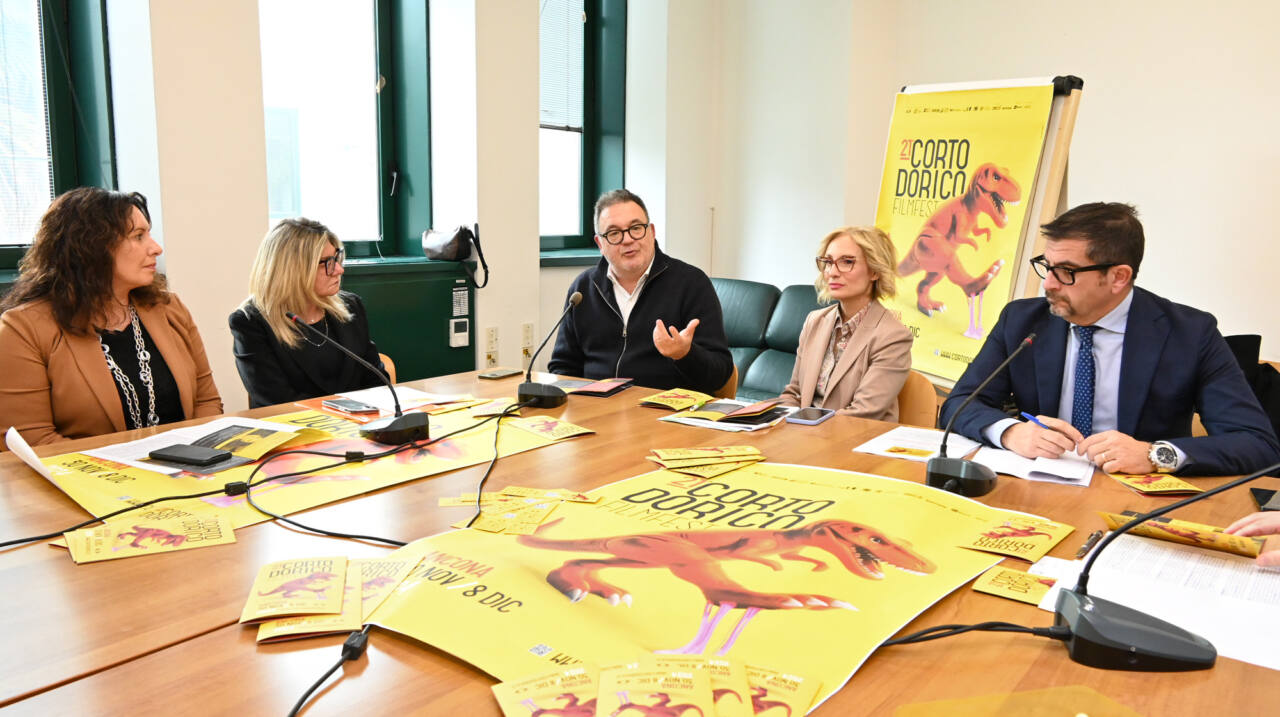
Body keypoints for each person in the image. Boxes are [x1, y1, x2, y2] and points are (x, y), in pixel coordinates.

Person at [940, 202, 1280, 476]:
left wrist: (1154, 454)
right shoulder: (1022, 320)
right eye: (1047, 265)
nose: (1049, 284)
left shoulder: (1189, 334)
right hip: (1040, 485)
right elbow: (959, 403)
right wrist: (1011, 432)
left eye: (1067, 271)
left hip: (1134, 499)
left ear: (1118, 277)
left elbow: (1256, 443)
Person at [0, 188, 223, 447]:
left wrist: (193, 460)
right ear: (91, 247)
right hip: (86, 483)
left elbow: (206, 403)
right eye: (138, 236)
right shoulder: (23, 328)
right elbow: (30, 441)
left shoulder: (169, 308)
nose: (156, 248)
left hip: (188, 476)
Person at [549, 189, 733, 394]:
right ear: (600, 243)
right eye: (614, 233)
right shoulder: (583, 288)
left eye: (636, 228)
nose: (627, 240)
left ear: (651, 232)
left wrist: (685, 354)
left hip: (666, 415)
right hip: (596, 411)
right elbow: (562, 366)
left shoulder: (691, 283)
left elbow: (720, 374)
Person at [229, 218, 387, 408]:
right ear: (292, 269)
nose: (339, 269)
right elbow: (277, 401)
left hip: (358, 427)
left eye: (337, 258)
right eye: (327, 262)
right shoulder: (250, 322)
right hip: (295, 431)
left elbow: (376, 381)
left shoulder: (350, 306)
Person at [777, 226, 912, 420]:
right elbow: (794, 394)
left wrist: (804, 431)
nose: (832, 272)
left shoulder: (893, 336)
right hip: (804, 435)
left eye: (847, 262)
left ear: (875, 271)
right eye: (828, 262)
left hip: (852, 442)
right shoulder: (814, 321)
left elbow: (863, 413)